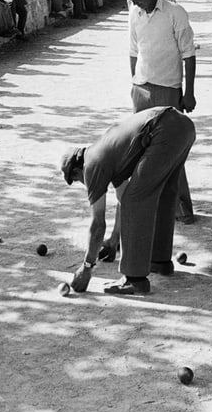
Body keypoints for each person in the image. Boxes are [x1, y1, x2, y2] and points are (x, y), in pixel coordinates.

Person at [61, 106, 196, 295]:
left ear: (77, 170)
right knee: (163, 195)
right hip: (182, 126)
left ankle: (134, 279)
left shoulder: (91, 165)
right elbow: (122, 199)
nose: (83, 184)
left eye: (76, 180)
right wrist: (113, 241)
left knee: (137, 201)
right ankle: (159, 261)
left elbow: (98, 224)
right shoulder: (106, 154)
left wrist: (87, 267)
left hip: (163, 130)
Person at [122, 0, 196, 225]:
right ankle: (151, 205)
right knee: (141, 151)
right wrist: (134, 81)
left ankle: (182, 209)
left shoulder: (175, 12)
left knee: (171, 151)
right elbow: (133, 50)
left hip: (168, 89)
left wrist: (189, 92)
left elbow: (189, 54)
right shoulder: (134, 14)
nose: (134, 4)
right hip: (141, 89)